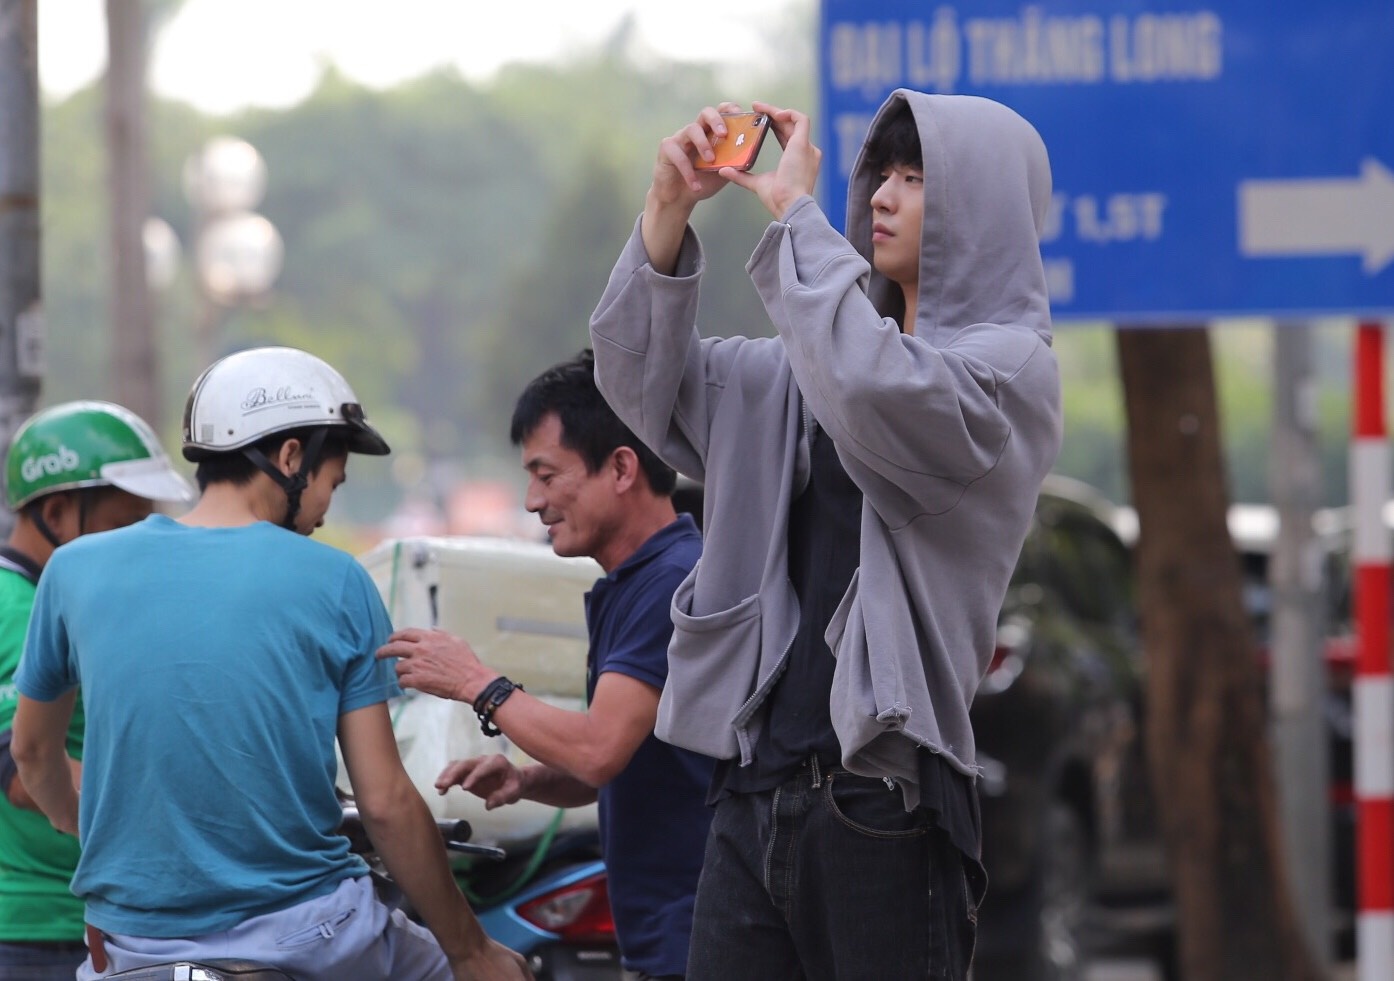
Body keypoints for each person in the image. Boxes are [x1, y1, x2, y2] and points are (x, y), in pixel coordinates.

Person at [587, 92, 1063, 980]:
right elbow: (640, 380)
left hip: (881, 802)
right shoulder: (808, 363)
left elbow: (874, 388)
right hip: (751, 791)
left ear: (983, 211)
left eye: (915, 179)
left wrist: (797, 215)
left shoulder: (1010, 369)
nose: (882, 195)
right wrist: (667, 207)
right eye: (881, 173)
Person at [11, 347, 530, 981]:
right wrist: (471, 950)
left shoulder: (72, 571)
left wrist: (95, 845)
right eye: (330, 485)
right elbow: (386, 802)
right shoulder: (335, 579)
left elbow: (35, 756)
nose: (325, 512)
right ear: (290, 458)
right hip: (313, 936)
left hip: (130, 947)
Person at [377, 350, 711, 981]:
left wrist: (477, 683)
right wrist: (528, 781)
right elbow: (623, 761)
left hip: (695, 931)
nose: (533, 500)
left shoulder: (671, 581)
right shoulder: (630, 583)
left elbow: (598, 751)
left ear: (620, 468)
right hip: (665, 929)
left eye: (547, 474)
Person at [0, 400, 194, 980]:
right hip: (40, 931)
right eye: (120, 523)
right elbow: (22, 772)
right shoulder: (16, 610)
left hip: (88, 918)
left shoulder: (66, 603)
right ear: (57, 513)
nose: (138, 542)